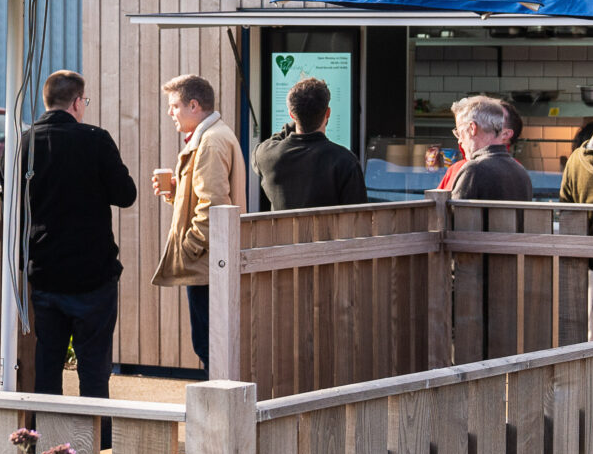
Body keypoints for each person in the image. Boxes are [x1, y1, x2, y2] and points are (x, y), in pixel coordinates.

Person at [21, 69, 136, 397]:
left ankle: (45, 438)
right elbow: (125, 195)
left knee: (48, 360)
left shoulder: (24, 144)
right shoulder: (95, 139)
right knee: (94, 365)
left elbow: (11, 197)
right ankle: (97, 440)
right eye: (83, 100)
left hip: (44, 271)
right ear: (76, 102)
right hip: (92, 274)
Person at [148, 72, 240, 372]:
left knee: (208, 346)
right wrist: (177, 193)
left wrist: (188, 249)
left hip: (207, 264)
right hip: (211, 260)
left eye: (174, 106)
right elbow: (207, 199)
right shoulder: (214, 136)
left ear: (194, 105)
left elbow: (213, 205)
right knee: (212, 345)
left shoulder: (210, 142)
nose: (170, 112)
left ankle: (216, 418)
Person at [254, 76, 366, 211]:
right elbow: (358, 218)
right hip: (329, 233)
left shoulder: (267, 155)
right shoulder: (346, 161)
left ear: (291, 114)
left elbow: (271, 142)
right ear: (328, 113)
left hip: (282, 233)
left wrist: (295, 122)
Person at [451, 95, 534, 202]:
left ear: (472, 128)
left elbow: (455, 216)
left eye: (460, 133)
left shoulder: (473, 169)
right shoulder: (521, 171)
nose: (459, 141)